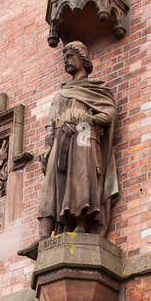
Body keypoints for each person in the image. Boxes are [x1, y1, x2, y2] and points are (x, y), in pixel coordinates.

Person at [38, 40, 118, 239]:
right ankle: (48, 233)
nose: (67, 61)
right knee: (52, 184)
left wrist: (88, 119)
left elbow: (109, 114)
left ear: (83, 59)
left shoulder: (95, 88)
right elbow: (51, 124)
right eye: (64, 58)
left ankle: (82, 224)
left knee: (83, 179)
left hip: (83, 133)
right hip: (61, 136)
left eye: (71, 56)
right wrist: (48, 148)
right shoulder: (61, 93)